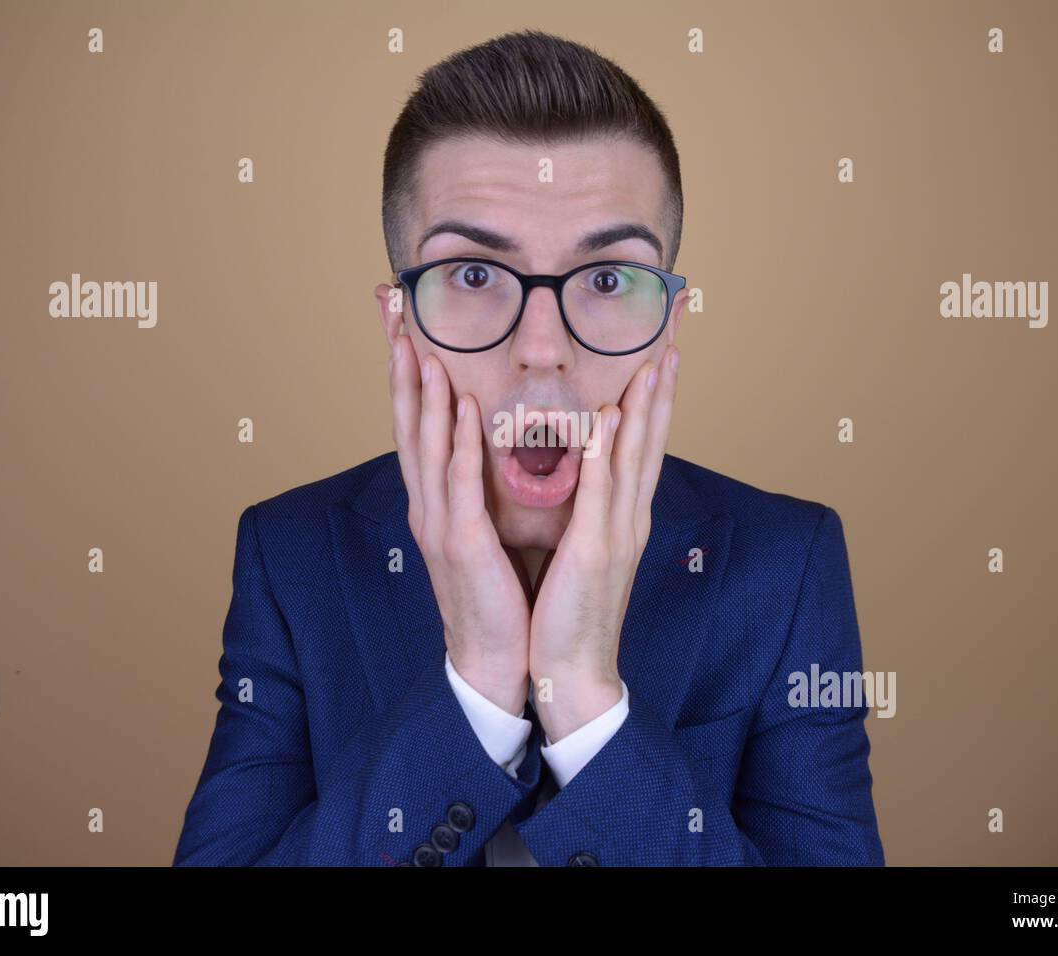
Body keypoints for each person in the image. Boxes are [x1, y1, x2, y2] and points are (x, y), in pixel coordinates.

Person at [173, 29, 885, 867]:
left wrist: (585, 700)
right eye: (474, 275)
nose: (542, 346)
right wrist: (475, 687)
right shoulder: (291, 556)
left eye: (609, 278)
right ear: (400, 325)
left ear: (670, 328)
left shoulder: (784, 565)